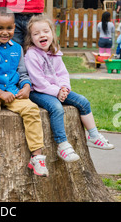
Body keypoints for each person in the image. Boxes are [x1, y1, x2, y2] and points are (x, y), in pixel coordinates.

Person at [24, 14, 114, 163]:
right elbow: (38, 81)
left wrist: (64, 87)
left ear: (52, 33)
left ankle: (94, 135)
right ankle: (62, 144)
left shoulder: (55, 52)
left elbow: (63, 73)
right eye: (36, 33)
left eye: (46, 31)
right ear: (31, 38)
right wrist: (56, 92)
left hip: (59, 89)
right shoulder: (32, 55)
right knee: (56, 108)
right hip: (38, 92)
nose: (42, 35)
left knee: (83, 101)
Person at [0, 7, 48, 180]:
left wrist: (26, 86)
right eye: (0, 28)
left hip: (13, 91)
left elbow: (22, 73)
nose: (5, 33)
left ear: (14, 27)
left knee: (32, 110)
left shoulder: (18, 48)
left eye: (9, 28)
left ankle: (37, 157)